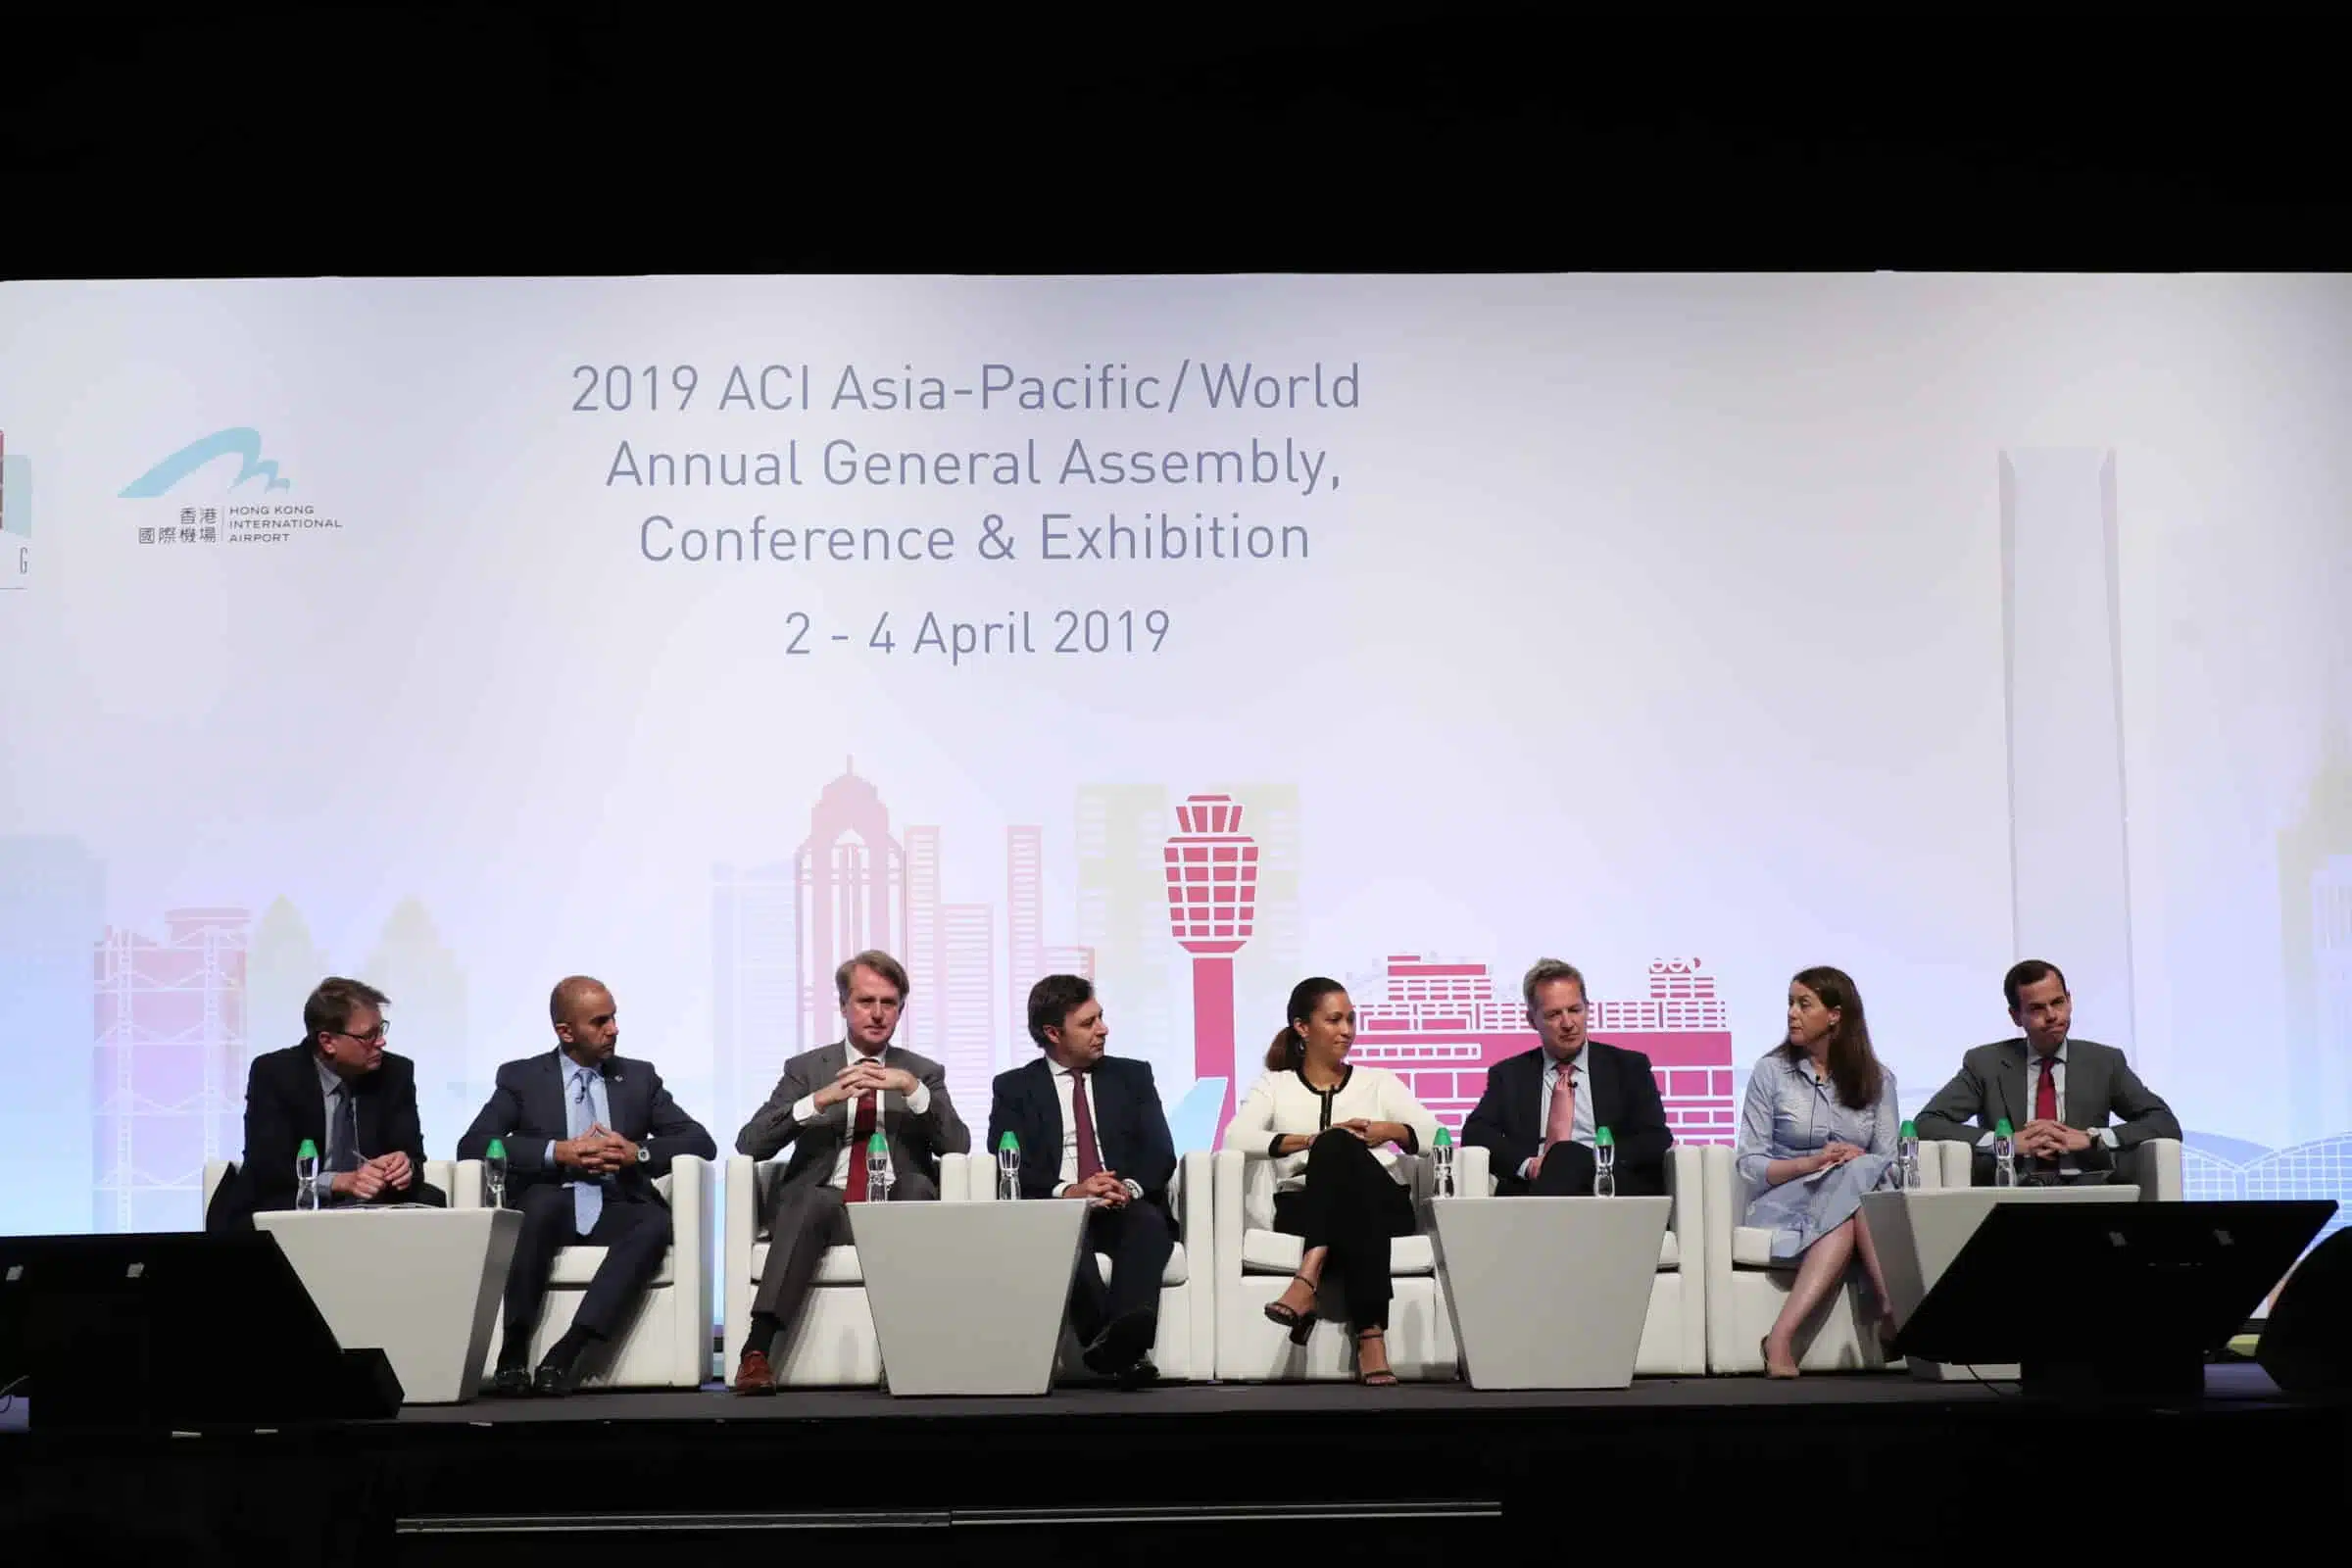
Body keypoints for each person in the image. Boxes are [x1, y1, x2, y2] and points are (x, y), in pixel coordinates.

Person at [457, 975, 716, 1396]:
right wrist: (556, 1152)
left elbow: (700, 1141)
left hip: (616, 1202)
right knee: (535, 1209)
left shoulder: (638, 1078)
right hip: (553, 1200)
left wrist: (638, 1153)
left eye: (614, 1018)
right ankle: (514, 1349)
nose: (614, 1029)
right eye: (600, 1021)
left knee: (653, 1225)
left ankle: (567, 1351)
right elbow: (473, 1145)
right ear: (566, 1031)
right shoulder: (522, 1078)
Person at [729, 950, 971, 1395]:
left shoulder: (922, 1071)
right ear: (843, 1006)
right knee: (806, 1198)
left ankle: (907, 1353)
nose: (878, 1014)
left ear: (900, 1009)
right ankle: (756, 1352)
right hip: (827, 1205)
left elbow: (958, 1146)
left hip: (896, 1206)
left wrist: (912, 1091)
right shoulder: (806, 1070)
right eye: (865, 1001)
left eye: (889, 1003)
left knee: (918, 1185)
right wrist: (819, 1100)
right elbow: (751, 1143)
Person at [1224, 976, 1441, 1386]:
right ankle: (1371, 1335)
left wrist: (1387, 1130)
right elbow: (1237, 1137)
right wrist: (1311, 1140)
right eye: (1335, 1020)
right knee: (1333, 1146)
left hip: (1383, 1203)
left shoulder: (1377, 1082)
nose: (1347, 1031)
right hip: (1304, 1209)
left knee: (1343, 1151)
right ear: (1302, 1027)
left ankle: (1309, 1275)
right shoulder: (1276, 1084)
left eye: (1351, 1020)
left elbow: (1435, 1134)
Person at [987, 974, 1175, 1389]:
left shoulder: (1132, 1076)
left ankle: (1119, 1340)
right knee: (1062, 1232)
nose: (1103, 1030)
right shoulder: (1015, 1088)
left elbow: (1160, 1151)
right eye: (1088, 1023)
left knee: (1148, 1224)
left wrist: (1125, 1187)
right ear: (1053, 1033)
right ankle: (1124, 1351)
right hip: (1061, 1206)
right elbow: (1007, 1161)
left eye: (1100, 1018)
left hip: (1125, 1202)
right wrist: (1071, 1192)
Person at [1736, 965, 1901, 1379]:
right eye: (1790, 1003)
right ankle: (1892, 1308)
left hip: (1848, 1204)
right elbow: (1751, 1164)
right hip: (1783, 1203)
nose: (1792, 1013)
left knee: (1856, 1181)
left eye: (1803, 1004)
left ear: (1835, 1015)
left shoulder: (1878, 1080)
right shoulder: (1770, 1072)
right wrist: (1811, 1164)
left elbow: (1891, 1163)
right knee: (1853, 1187)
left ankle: (1779, 1338)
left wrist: (1856, 1159)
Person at [207, 976, 445, 1232]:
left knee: (431, 1201)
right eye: (369, 1035)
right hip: (293, 1200)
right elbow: (269, 1167)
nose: (381, 1042)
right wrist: (339, 1182)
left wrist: (402, 1166)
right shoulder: (275, 1074)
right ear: (327, 1042)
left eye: (381, 1029)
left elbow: (414, 1156)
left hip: (370, 1206)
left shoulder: (396, 1072)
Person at [1914, 958, 2181, 1184]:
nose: (2052, 1015)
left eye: (2058, 1002)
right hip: (2011, 1198)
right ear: (2016, 1016)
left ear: (2070, 1000)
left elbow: (2164, 1123)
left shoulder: (2104, 1061)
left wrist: (2093, 1138)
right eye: (2037, 1008)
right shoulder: (1986, 1063)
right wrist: (2004, 1143)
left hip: (2089, 1196)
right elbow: (1926, 1124)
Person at [1462, 957, 1673, 1196]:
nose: (1568, 1023)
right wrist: (1530, 1166)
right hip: (1535, 1185)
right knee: (1560, 1160)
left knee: (1565, 1155)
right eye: (1554, 1014)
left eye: (1575, 1010)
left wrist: (1591, 1159)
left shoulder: (1628, 1066)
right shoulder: (1510, 1074)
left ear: (1587, 1008)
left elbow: (1656, 1138)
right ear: (1532, 1021)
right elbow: (1475, 1132)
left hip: (1608, 1187)